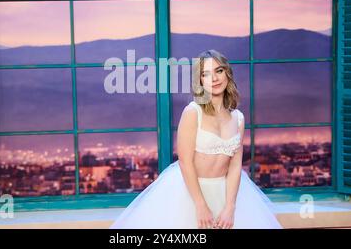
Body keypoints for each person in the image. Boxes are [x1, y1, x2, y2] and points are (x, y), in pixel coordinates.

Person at [110, 49, 283, 229]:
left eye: (218, 71)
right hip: (190, 193)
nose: (214, 79)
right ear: (200, 81)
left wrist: (230, 207)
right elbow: (185, 162)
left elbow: (235, 165)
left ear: (227, 73)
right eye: (205, 74)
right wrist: (200, 205)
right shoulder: (193, 112)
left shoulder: (238, 118)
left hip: (227, 193)